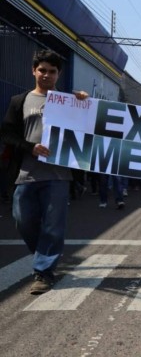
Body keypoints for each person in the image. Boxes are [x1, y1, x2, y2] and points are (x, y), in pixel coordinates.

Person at [0, 49, 89, 294]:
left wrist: (84, 102)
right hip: (26, 174)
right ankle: (43, 255)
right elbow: (7, 134)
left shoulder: (70, 101)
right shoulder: (20, 101)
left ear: (58, 74)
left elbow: (88, 127)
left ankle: (44, 272)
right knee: (23, 220)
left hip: (58, 176)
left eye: (52, 71)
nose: (46, 75)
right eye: (42, 70)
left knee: (53, 226)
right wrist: (30, 147)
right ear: (34, 71)